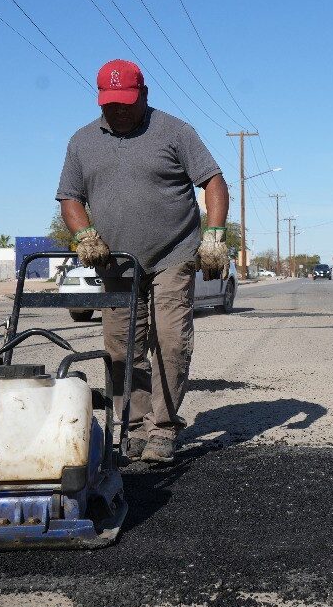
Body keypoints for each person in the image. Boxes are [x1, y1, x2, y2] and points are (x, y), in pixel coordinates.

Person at [56, 59, 230, 463]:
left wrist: (215, 236)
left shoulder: (174, 131)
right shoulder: (82, 141)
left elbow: (213, 181)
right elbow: (69, 197)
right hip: (117, 263)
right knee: (121, 349)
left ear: (145, 95)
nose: (118, 109)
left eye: (126, 102)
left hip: (174, 253)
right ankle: (134, 427)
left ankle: (165, 428)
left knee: (169, 341)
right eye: (109, 102)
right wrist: (84, 234)